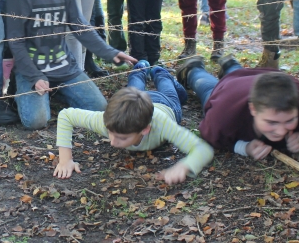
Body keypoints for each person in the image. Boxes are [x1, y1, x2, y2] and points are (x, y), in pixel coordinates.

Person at [5, 0, 135, 130]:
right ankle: (24, 91)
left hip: (64, 67)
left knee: (100, 108)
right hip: (32, 70)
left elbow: (81, 27)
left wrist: (110, 52)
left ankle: (58, 92)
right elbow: (16, 42)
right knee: (36, 122)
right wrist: (35, 76)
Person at [54, 62, 213, 185]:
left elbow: (203, 149)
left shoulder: (162, 124)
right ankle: (140, 67)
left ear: (145, 129)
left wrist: (183, 166)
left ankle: (159, 71)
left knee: (170, 88)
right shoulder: (107, 121)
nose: (113, 142)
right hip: (137, 101)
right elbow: (66, 115)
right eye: (110, 133)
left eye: (122, 138)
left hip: (166, 104)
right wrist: (65, 159)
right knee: (134, 86)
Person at [176, 55, 299, 159]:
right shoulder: (223, 115)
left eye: (289, 121)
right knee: (207, 88)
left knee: (239, 72)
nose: (281, 131)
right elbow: (209, 135)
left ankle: (230, 64)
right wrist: (244, 147)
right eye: (272, 122)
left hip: (266, 77)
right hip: (229, 91)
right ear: (253, 109)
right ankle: (194, 69)